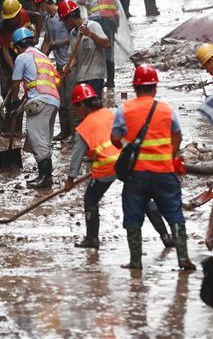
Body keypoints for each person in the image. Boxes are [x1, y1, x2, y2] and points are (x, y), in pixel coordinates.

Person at [66, 82, 177, 250]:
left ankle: (92, 239)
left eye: (76, 107)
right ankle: (166, 236)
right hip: (126, 161)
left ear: (83, 105)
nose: (76, 112)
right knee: (144, 198)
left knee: (90, 199)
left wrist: (70, 179)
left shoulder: (83, 128)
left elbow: (76, 157)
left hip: (106, 168)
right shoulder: (110, 113)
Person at [111, 65, 195, 271]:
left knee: (133, 214)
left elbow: (114, 138)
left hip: (136, 175)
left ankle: (136, 261)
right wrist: (169, 155)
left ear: (135, 87)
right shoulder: (166, 110)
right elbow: (178, 135)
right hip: (164, 172)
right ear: (155, 87)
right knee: (174, 212)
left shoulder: (124, 110)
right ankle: (183, 257)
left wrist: (127, 148)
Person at [4, 27, 60, 189]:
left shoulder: (22, 57)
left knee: (36, 137)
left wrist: (14, 102)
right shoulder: (42, 56)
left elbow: (15, 84)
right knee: (45, 137)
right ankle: (46, 174)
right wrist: (21, 105)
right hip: (53, 100)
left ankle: (45, 177)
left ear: (16, 46)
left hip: (40, 99)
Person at [34, 0, 73, 141]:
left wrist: (57, 44)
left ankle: (75, 133)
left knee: (70, 99)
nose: (39, 10)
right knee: (61, 99)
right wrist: (41, 59)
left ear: (44, 3)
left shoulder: (63, 14)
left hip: (70, 63)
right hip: (59, 64)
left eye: (39, 6)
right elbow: (47, 41)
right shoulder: (48, 20)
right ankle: (64, 132)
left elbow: (74, 36)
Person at [76, 0, 120, 88]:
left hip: (98, 18)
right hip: (111, 18)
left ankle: (100, 78)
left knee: (97, 47)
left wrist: (88, 4)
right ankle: (111, 80)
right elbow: (116, 5)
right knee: (109, 48)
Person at [59, 0, 110, 97]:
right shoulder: (73, 33)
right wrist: (68, 66)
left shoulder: (93, 26)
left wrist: (90, 34)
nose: (64, 24)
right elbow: (75, 57)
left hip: (94, 76)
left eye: (64, 21)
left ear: (70, 17)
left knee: (94, 108)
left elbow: (107, 44)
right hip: (81, 78)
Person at [0, 0, 44, 98]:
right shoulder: (2, 27)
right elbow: (4, 49)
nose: (10, 21)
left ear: (18, 13)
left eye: (12, 18)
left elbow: (39, 17)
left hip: (26, 51)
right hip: (10, 54)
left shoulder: (26, 14)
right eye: (8, 18)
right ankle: (10, 105)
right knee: (6, 85)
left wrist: (37, 37)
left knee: (33, 81)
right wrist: (14, 67)